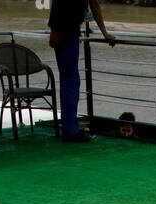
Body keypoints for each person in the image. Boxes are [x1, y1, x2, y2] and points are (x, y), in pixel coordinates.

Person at [47, 0, 115, 143]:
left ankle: (69, 127)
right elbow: (94, 4)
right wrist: (105, 32)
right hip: (68, 32)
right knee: (71, 81)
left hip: (58, 30)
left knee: (67, 80)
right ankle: (70, 130)